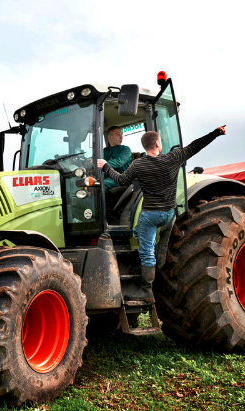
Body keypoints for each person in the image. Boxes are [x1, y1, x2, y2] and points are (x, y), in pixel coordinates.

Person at [97, 125, 227, 302]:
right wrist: (216, 132)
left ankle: (146, 291)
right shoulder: (173, 158)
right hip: (169, 215)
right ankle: (154, 263)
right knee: (143, 236)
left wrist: (105, 167)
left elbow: (120, 179)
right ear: (158, 144)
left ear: (145, 147)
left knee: (145, 249)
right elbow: (195, 145)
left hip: (150, 216)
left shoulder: (138, 164)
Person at [101, 125, 131, 190]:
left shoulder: (125, 149)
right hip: (106, 177)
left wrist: (103, 164)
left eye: (121, 135)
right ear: (110, 137)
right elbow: (95, 159)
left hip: (120, 178)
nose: (121, 137)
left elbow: (119, 162)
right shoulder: (104, 151)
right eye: (118, 135)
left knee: (101, 184)